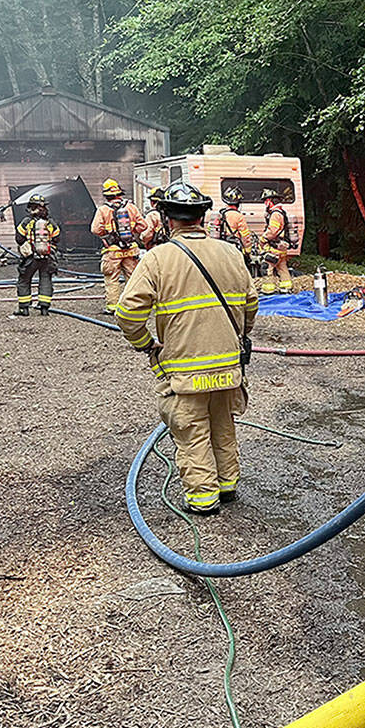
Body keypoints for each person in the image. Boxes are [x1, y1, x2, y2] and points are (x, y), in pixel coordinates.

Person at [116, 181, 258, 514]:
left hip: (184, 370)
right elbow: (251, 305)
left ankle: (203, 500)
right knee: (223, 423)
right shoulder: (231, 253)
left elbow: (126, 313)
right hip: (228, 366)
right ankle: (227, 485)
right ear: (202, 216)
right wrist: (238, 335)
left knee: (192, 430)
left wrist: (147, 344)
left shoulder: (157, 259)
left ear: (167, 218)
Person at [92, 178, 147, 315]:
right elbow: (143, 226)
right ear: (120, 193)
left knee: (112, 279)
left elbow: (95, 229)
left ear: (106, 195)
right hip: (130, 249)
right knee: (133, 278)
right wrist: (131, 230)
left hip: (112, 251)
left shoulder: (103, 210)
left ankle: (113, 308)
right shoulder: (131, 207)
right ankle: (133, 306)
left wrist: (107, 234)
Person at [13, 195, 60, 317]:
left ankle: (24, 309)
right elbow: (57, 238)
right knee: (45, 279)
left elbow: (19, 239)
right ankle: (44, 308)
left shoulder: (26, 222)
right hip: (47, 257)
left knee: (24, 280)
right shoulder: (50, 223)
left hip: (30, 258)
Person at [214, 187, 260, 280]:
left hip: (221, 246)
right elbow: (245, 236)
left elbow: (213, 229)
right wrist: (248, 251)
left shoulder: (220, 215)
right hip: (234, 248)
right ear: (238, 203)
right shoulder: (239, 217)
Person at [259, 191, 295, 294]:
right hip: (281, 246)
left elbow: (273, 231)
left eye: (265, 201)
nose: (265, 204)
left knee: (267, 267)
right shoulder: (281, 212)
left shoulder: (275, 214)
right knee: (282, 267)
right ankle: (286, 288)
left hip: (275, 246)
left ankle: (268, 290)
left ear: (270, 201)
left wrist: (263, 239)